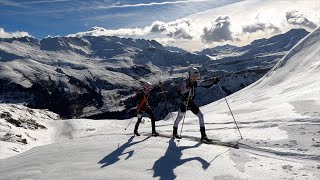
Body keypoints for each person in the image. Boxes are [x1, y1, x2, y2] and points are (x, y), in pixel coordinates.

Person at [173, 67, 219, 141]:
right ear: (190, 75)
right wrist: (188, 88)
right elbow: (180, 92)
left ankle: (203, 135)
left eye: (196, 76)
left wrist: (214, 83)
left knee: (201, 116)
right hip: (184, 103)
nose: (195, 78)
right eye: (194, 76)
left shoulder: (195, 83)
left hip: (190, 103)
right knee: (179, 118)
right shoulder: (184, 82)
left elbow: (206, 85)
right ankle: (174, 132)